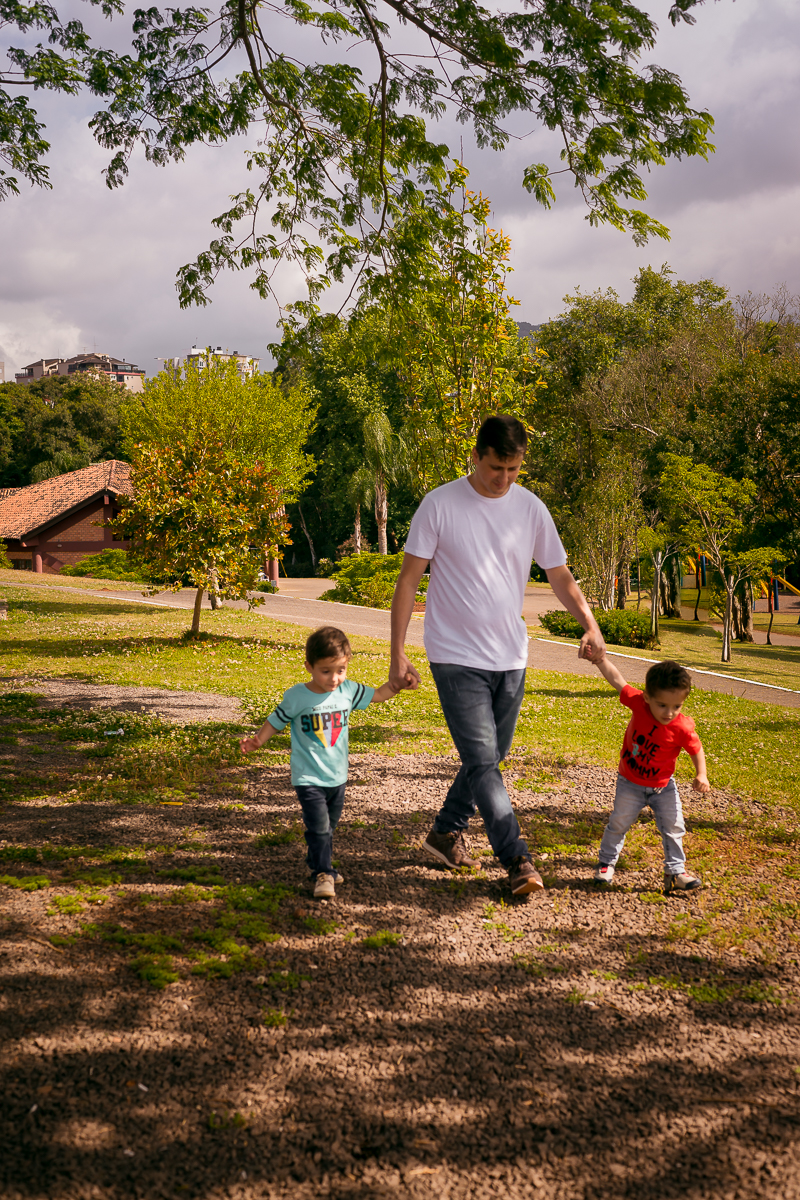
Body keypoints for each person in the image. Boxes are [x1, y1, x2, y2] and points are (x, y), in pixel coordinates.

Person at [389, 414, 607, 897]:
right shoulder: (439, 504)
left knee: (489, 756)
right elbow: (408, 580)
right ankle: (516, 859)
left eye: (513, 470)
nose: (504, 479)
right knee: (485, 761)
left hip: (510, 655)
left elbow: (560, 576)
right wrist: (397, 652)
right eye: (495, 469)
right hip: (453, 653)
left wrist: (590, 623)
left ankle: (445, 834)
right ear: (475, 456)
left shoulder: (530, 508)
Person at [240, 625, 402, 899]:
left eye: (340, 670)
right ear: (309, 667)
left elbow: (379, 694)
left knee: (329, 826)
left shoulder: (348, 691)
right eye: (326, 671)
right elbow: (275, 721)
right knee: (319, 826)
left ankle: (317, 861)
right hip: (308, 777)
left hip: (338, 776)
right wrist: (258, 740)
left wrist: (398, 685)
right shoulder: (297, 696)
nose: (334, 678)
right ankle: (324, 874)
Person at [590, 655, 709, 894]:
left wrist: (702, 774)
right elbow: (617, 680)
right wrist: (599, 659)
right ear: (647, 697)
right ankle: (606, 864)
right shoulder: (638, 704)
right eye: (662, 705)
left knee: (674, 827)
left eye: (677, 706)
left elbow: (696, 749)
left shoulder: (682, 727)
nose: (669, 713)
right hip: (630, 784)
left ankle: (676, 872)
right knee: (619, 823)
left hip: (663, 787)